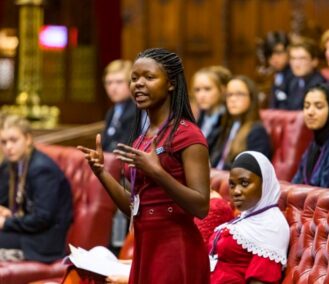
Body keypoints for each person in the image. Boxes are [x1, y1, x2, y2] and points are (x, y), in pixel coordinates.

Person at [78, 48, 210, 284]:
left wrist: (157, 172)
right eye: (134, 78)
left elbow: (201, 206)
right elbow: (134, 209)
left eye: (149, 77)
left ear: (170, 84)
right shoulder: (142, 138)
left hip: (176, 250)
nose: (138, 84)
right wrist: (102, 173)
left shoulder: (188, 134)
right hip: (145, 247)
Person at [0, 114, 73, 262]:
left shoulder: (42, 169)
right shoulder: (10, 165)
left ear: (27, 139)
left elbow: (42, 218)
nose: (8, 147)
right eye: (3, 142)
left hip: (44, 239)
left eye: (13, 140)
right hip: (25, 229)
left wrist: (6, 223)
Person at [209, 151, 290, 284]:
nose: (236, 191)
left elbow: (261, 280)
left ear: (264, 183)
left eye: (244, 183)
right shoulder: (246, 218)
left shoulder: (272, 226)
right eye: (232, 185)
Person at [211, 75, 273, 170]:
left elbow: (253, 170)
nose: (232, 99)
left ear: (251, 99)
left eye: (239, 94)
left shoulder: (257, 131)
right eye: (229, 95)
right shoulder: (227, 126)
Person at [102, 59, 146, 152]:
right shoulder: (112, 111)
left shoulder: (138, 110)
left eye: (119, 82)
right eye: (109, 83)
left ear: (131, 84)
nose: (113, 88)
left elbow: (126, 147)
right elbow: (104, 143)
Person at [274, 38, 325, 110]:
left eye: (302, 58)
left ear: (314, 61)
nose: (296, 64)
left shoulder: (319, 84)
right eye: (293, 58)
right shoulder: (292, 81)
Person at [192, 66, 232, 155]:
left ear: (222, 90)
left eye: (207, 89)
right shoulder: (201, 115)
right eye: (197, 90)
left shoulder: (228, 120)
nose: (201, 95)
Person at [260, 31, 294, 109]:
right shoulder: (277, 74)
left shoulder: (297, 74)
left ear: (289, 51)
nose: (274, 58)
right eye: (270, 54)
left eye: (278, 53)